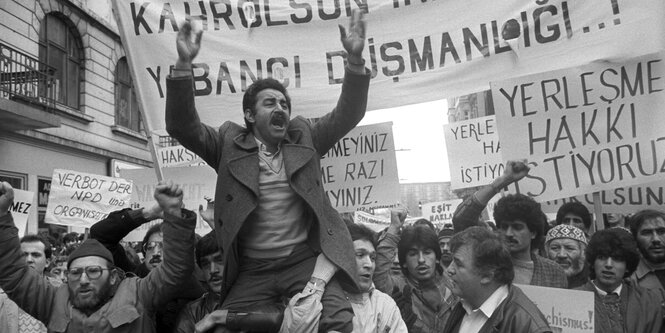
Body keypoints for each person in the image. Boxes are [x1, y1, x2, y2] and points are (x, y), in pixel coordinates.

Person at [165, 10, 370, 333]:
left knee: (339, 322)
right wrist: (183, 64)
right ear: (249, 114)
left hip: (303, 261)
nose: (281, 109)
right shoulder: (227, 144)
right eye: (270, 103)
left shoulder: (306, 136)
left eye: (284, 104)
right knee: (219, 330)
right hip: (253, 270)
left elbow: (349, 113)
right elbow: (182, 125)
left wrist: (355, 61)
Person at [0, 180, 198, 332]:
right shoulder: (52, 301)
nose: (83, 280)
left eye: (93, 271)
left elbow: (175, 269)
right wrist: (1, 215)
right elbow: (14, 274)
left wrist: (173, 213)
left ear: (113, 276)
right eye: (75, 273)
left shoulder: (139, 294)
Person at [89, 203, 206, 332]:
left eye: (164, 246)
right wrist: (149, 213)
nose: (156, 252)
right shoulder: (130, 277)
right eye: (150, 247)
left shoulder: (200, 291)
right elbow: (100, 235)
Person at [453, 160, 568, 288]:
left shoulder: (553, 272)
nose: (509, 233)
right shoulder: (488, 263)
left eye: (517, 227)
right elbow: (461, 219)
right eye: (504, 226)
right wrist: (503, 181)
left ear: (533, 232)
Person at [280, 219, 408, 333]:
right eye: (360, 255)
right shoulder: (316, 297)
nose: (369, 264)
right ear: (340, 258)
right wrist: (319, 280)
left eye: (373, 257)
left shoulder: (384, 304)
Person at [443, 226, 552, 333]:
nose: (449, 270)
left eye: (458, 264)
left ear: (487, 276)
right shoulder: (464, 304)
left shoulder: (527, 325)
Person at [373, 209, 456, 332]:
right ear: (404, 262)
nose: (421, 260)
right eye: (413, 254)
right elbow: (379, 272)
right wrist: (394, 228)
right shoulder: (399, 289)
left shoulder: (454, 285)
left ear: (437, 258)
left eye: (427, 252)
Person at [575, 228, 663, 333]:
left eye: (617, 259)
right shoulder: (573, 299)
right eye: (602, 257)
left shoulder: (647, 301)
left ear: (628, 266)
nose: (608, 265)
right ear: (593, 262)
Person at [628, 209, 665, 301]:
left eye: (661, 231)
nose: (656, 239)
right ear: (635, 239)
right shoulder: (628, 279)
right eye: (647, 233)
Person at [544, 224, 589, 288]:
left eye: (569, 248)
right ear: (547, 252)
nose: (562, 255)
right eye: (555, 248)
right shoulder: (537, 281)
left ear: (583, 253)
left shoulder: (596, 284)